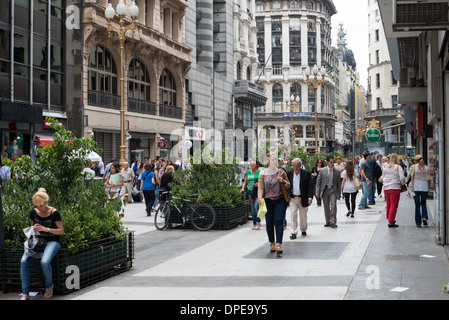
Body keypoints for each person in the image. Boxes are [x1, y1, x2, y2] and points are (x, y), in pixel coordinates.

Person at [20, 188, 64, 300]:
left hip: (52, 241)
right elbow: (31, 228)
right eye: (36, 205)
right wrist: (34, 229)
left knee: (44, 262)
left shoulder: (54, 213)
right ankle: (25, 293)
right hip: (37, 241)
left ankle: (49, 287)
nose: (38, 208)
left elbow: (61, 231)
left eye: (40, 206)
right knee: (23, 261)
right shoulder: (34, 212)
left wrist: (46, 229)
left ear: (46, 203)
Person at [257, 153, 290, 254]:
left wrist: (282, 181)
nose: (274, 161)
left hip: (280, 200)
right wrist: (259, 198)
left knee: (278, 221)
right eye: (272, 159)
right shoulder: (262, 173)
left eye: (275, 160)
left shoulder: (281, 172)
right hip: (268, 201)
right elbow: (261, 187)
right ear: (267, 161)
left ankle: (279, 244)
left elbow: (288, 185)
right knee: (269, 222)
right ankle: (272, 242)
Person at [287, 158, 313, 239]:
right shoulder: (289, 173)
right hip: (293, 198)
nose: (296, 167)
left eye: (297, 166)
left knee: (303, 215)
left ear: (300, 166)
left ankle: (303, 229)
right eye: (294, 166)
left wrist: (310, 197)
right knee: (293, 214)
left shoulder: (306, 173)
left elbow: (310, 185)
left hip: (303, 198)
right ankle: (293, 232)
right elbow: (286, 185)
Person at [315, 155, 341, 228]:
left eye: (333, 162)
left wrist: (339, 192)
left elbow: (339, 183)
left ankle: (333, 221)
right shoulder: (322, 170)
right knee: (326, 206)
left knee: (333, 205)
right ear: (327, 162)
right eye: (331, 162)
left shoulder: (337, 172)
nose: (332, 164)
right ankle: (328, 221)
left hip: (333, 190)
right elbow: (318, 182)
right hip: (325, 190)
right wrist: (317, 192)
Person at [381, 153, 406, 228]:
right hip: (394, 187)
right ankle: (391, 221)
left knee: (388, 203)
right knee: (394, 204)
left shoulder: (386, 167)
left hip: (386, 188)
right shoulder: (398, 167)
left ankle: (389, 218)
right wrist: (402, 184)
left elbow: (383, 176)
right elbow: (402, 178)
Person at [409, 155, 431, 227]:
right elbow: (429, 178)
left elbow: (409, 176)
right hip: (424, 187)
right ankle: (424, 217)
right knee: (424, 203)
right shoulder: (427, 168)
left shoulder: (413, 167)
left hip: (416, 188)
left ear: (415, 161)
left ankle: (418, 222)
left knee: (417, 205)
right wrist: (429, 187)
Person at [240, 160, 262, 230]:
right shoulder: (248, 172)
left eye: (253, 164)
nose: (251, 166)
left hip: (257, 193)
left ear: (256, 165)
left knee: (256, 207)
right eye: (251, 164)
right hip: (250, 193)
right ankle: (254, 223)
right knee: (252, 209)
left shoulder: (260, 172)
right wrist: (243, 188)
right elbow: (245, 182)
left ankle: (258, 221)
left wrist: (259, 184)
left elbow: (263, 181)